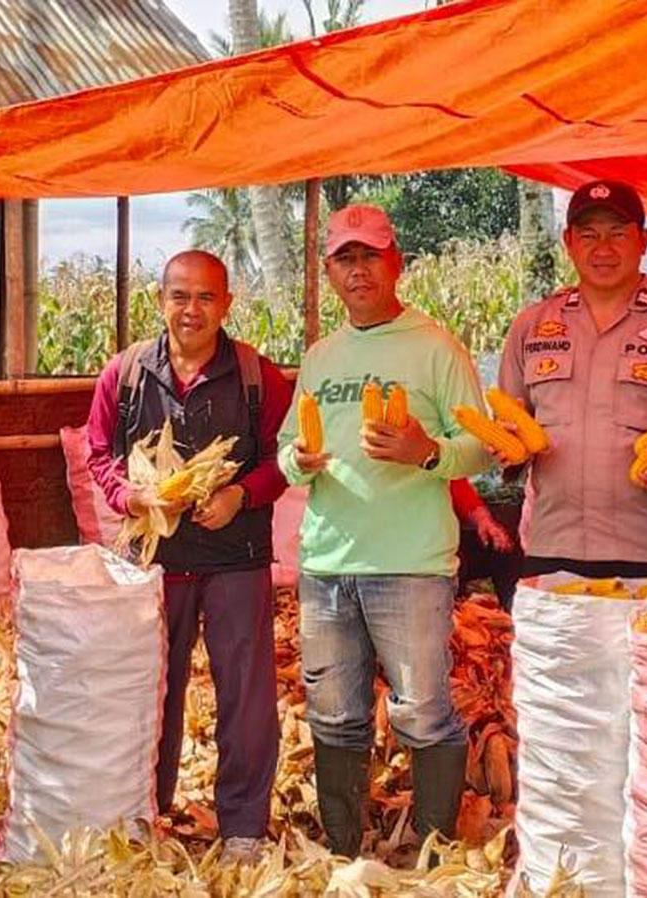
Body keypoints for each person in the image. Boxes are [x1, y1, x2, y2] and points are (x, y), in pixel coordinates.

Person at [277, 205, 490, 857]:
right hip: (327, 565)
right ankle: (343, 845)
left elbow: (481, 448)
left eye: (370, 255)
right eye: (345, 258)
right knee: (334, 715)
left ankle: (432, 847)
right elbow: (286, 448)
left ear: (396, 263)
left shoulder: (434, 347)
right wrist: (300, 461)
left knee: (423, 712)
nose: (358, 270)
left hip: (410, 566)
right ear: (330, 272)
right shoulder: (321, 356)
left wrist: (428, 452)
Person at [86, 250, 291, 863]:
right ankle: (148, 809)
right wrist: (132, 495)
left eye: (206, 297)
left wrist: (240, 495)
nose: (191, 309)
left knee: (245, 697)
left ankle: (244, 828)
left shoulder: (258, 376)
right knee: (149, 692)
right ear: (160, 301)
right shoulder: (123, 375)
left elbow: (285, 459)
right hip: (154, 565)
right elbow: (100, 454)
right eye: (180, 296)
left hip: (235, 557)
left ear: (226, 304)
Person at [496, 179, 647, 588]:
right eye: (589, 235)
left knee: (643, 655)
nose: (602, 248)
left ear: (644, 240)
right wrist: (507, 446)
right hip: (553, 545)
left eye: (617, 234)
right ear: (568, 241)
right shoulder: (531, 326)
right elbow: (509, 421)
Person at [450, 478, 520, 611]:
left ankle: (514, 614)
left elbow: (461, 491)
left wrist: (485, 521)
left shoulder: (442, 467)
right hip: (425, 556)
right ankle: (455, 612)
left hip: (452, 544)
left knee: (504, 550)